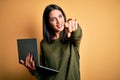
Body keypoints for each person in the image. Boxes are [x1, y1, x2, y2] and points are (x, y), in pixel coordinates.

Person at [20, 4, 82, 80]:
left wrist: (74, 25)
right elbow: (43, 75)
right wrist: (32, 70)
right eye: (53, 19)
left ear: (63, 16)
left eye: (60, 16)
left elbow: (77, 33)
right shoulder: (44, 44)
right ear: (48, 23)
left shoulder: (71, 38)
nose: (59, 21)